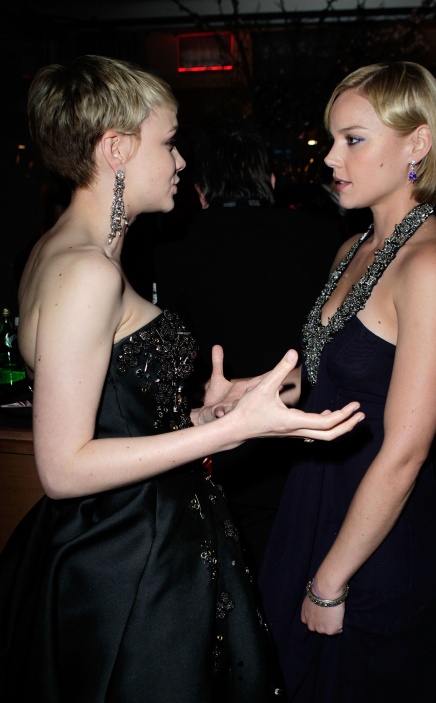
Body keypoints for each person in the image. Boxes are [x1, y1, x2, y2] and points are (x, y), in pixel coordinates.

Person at [0, 55, 365, 703]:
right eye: (168, 143)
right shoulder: (85, 271)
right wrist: (227, 432)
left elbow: (114, 415)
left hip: (135, 535)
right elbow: (62, 467)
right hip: (126, 557)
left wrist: (209, 415)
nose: (180, 161)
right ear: (116, 148)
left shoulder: (65, 251)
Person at [257, 61, 436, 702]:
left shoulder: (432, 264)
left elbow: (406, 452)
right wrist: (243, 398)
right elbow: (324, 384)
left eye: (352, 139)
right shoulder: (351, 249)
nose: (330, 158)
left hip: (378, 540)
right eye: (332, 139)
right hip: (316, 504)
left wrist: (331, 581)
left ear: (418, 143)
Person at [154, 120, 344, 573]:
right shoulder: (326, 239)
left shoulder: (173, 249)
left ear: (201, 192)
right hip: (304, 435)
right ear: (271, 182)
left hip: (213, 440)